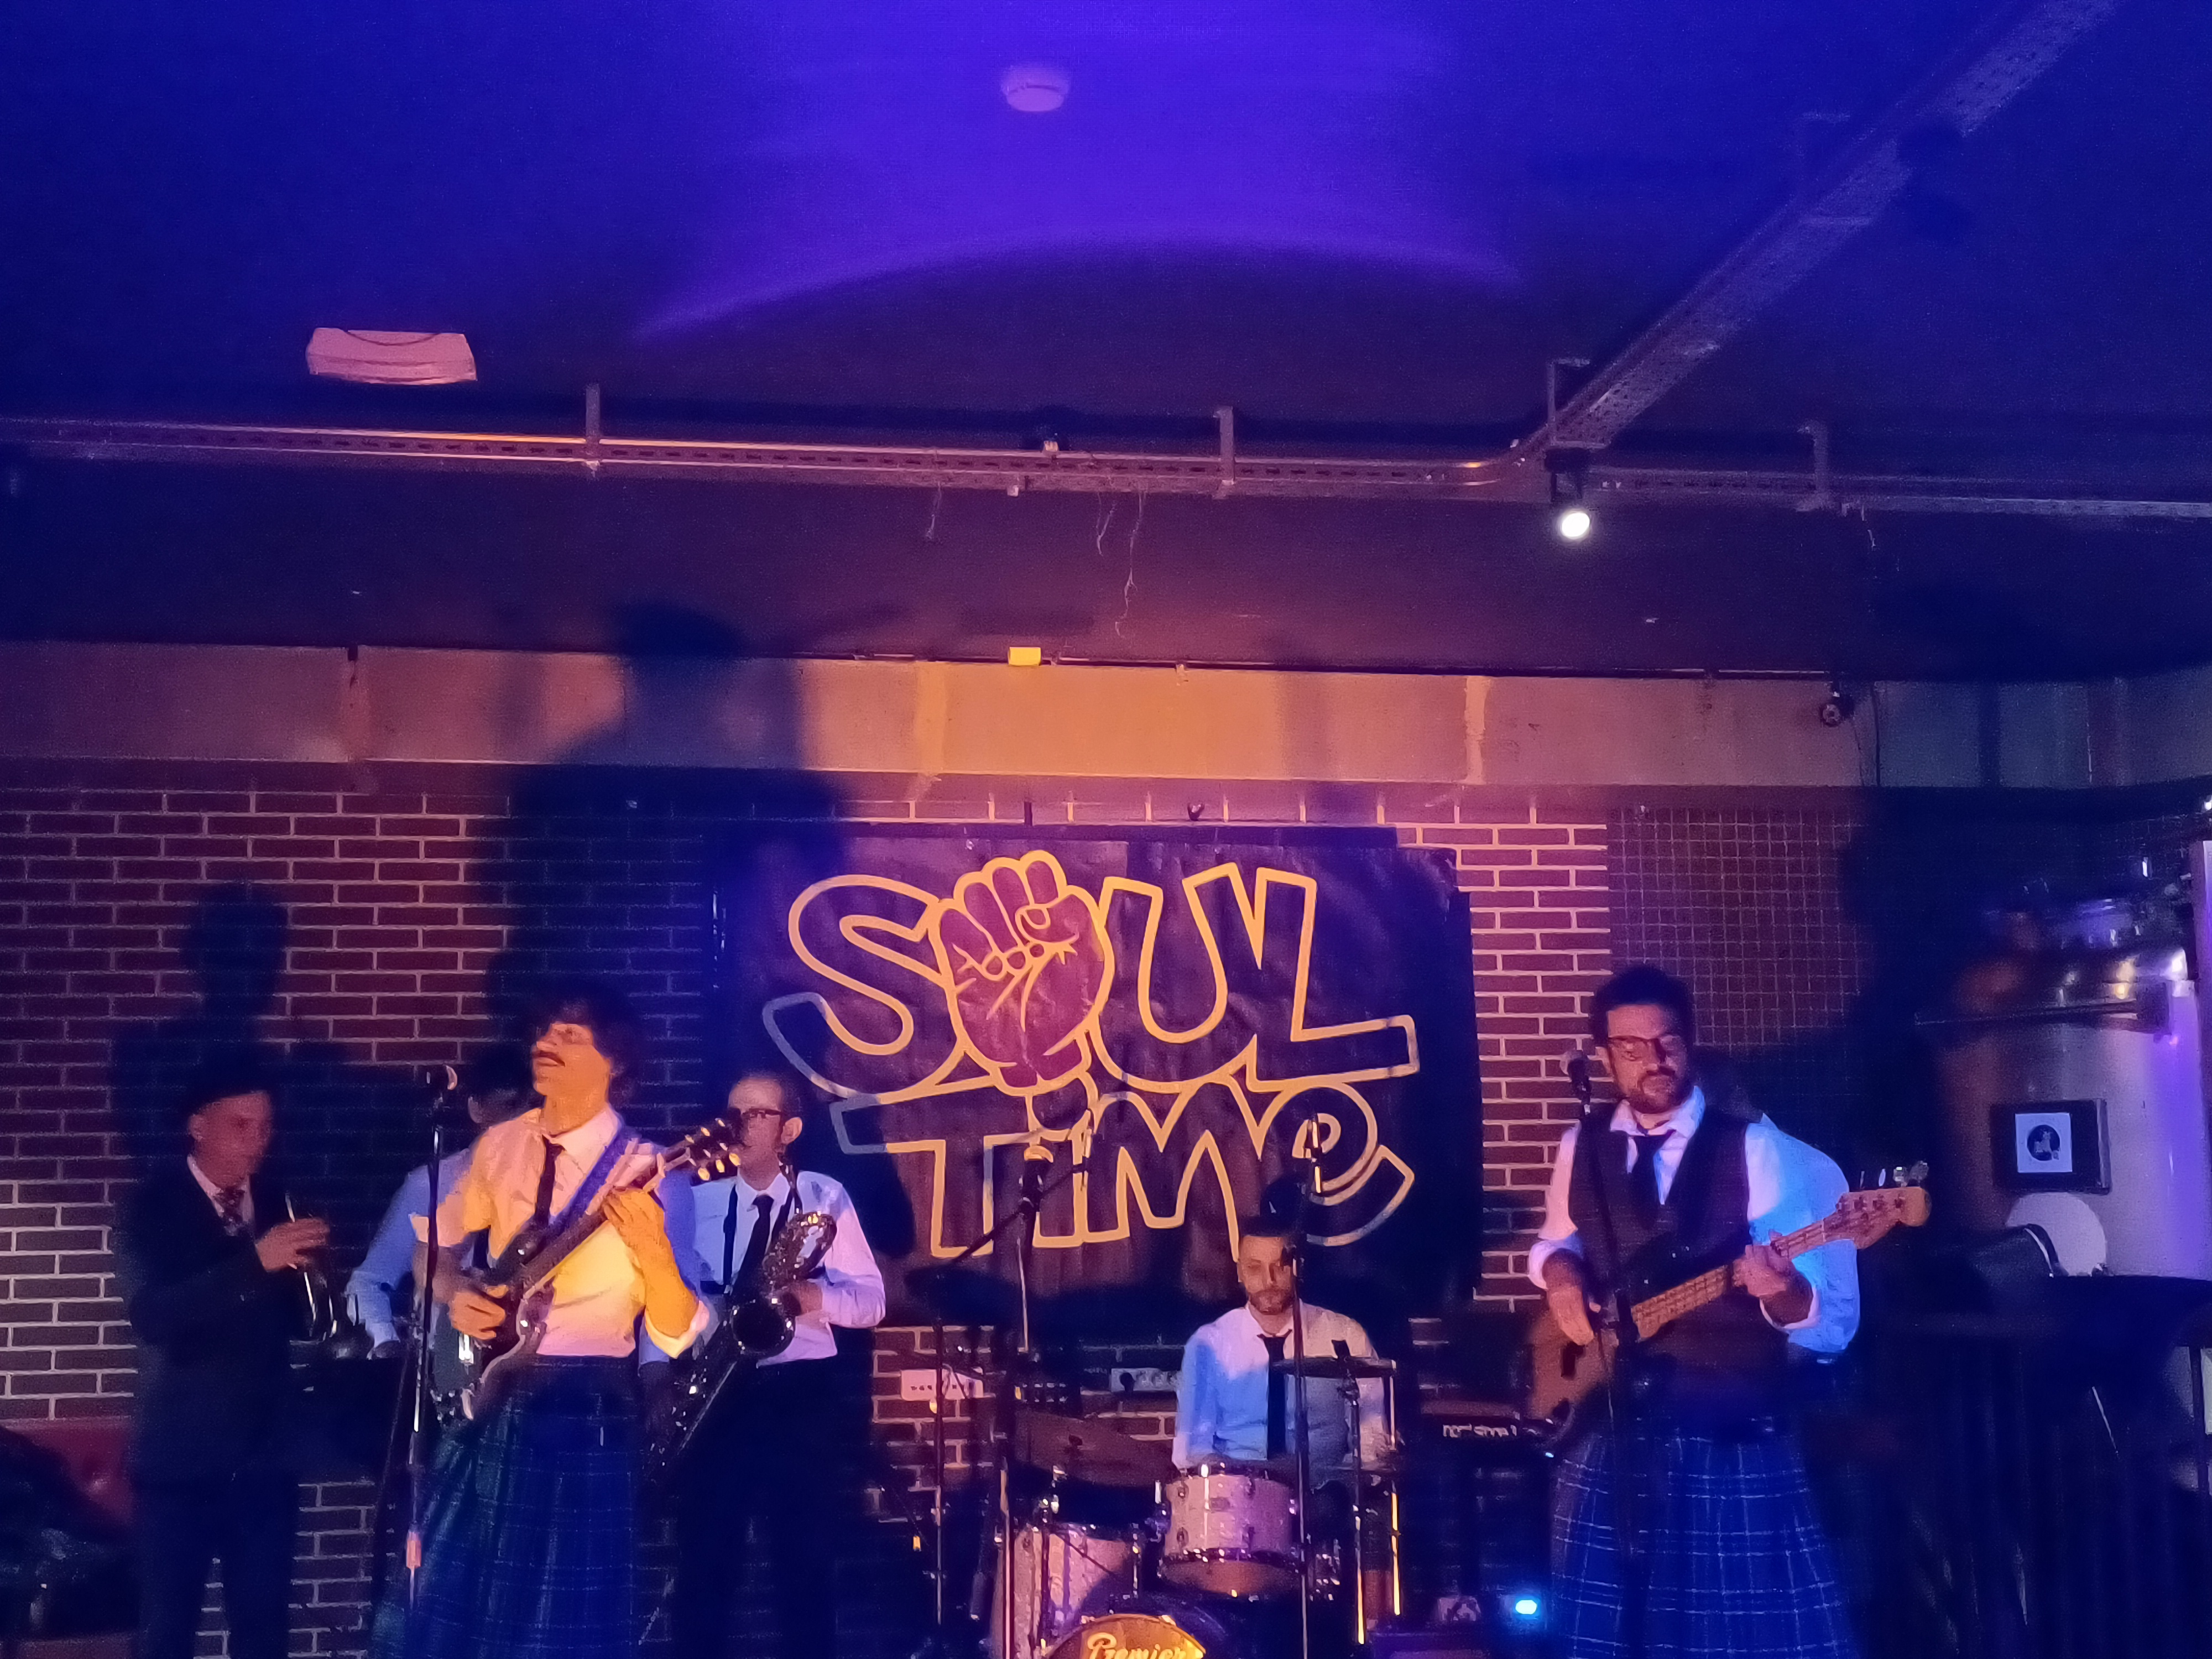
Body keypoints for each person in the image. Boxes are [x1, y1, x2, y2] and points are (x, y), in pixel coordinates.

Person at [1531, 964, 1860, 1659]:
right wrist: (1560, 1277)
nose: (1653, 1060)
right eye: (1631, 1047)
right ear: (1603, 1057)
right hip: (1609, 1419)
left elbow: (1814, 1311)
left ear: (1689, 1042)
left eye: (1668, 1042)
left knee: (1732, 1638)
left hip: (1723, 1425)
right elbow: (1557, 1242)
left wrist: (1779, 1288)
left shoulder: (1753, 1148)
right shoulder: (1579, 1144)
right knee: (1603, 1635)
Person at [368, 981, 705, 1659]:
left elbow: (677, 1328)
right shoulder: (501, 1144)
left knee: (556, 1630)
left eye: (570, 1036)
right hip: (489, 1398)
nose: (546, 1044)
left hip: (585, 1407)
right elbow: (434, 1251)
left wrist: (654, 1251)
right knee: (441, 1611)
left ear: (614, 1062)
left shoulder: (653, 1172)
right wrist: (454, 1293)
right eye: (545, 1032)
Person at [662, 1068, 886, 1659]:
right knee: (706, 1555)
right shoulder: (698, 1200)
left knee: (803, 1555)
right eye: (733, 1112)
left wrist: (813, 1297)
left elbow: (873, 1302)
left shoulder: (823, 1196)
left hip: (798, 1394)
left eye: (757, 1114)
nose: (739, 1125)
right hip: (716, 1390)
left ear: (790, 1130)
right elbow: (668, 1295)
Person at [113, 1053, 330, 1659]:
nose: (257, 1141)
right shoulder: (152, 1206)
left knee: (263, 1630)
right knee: (167, 1631)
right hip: (179, 1460)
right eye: (240, 1125)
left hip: (263, 1457)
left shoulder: (280, 1198)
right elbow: (154, 1316)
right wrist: (255, 1263)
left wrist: (319, 1290)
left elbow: (299, 1318)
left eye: (265, 1126)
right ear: (198, 1126)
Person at [346, 1057, 533, 1358]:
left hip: (524, 1361)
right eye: (510, 1107)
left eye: (532, 1110)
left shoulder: (551, 1187)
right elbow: (369, 1282)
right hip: (440, 1364)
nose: (522, 1123)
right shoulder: (428, 1185)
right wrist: (386, 1343)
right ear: (476, 1108)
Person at [1173, 1221, 1388, 1475]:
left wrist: (1340, 1487)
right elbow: (1191, 1448)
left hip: (1324, 1486)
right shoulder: (1209, 1344)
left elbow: (1371, 1436)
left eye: (1279, 1267)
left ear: (1298, 1268)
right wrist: (1232, 1480)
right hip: (1239, 1489)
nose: (1269, 1281)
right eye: (1255, 1268)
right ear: (1240, 1272)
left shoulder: (1345, 1335)